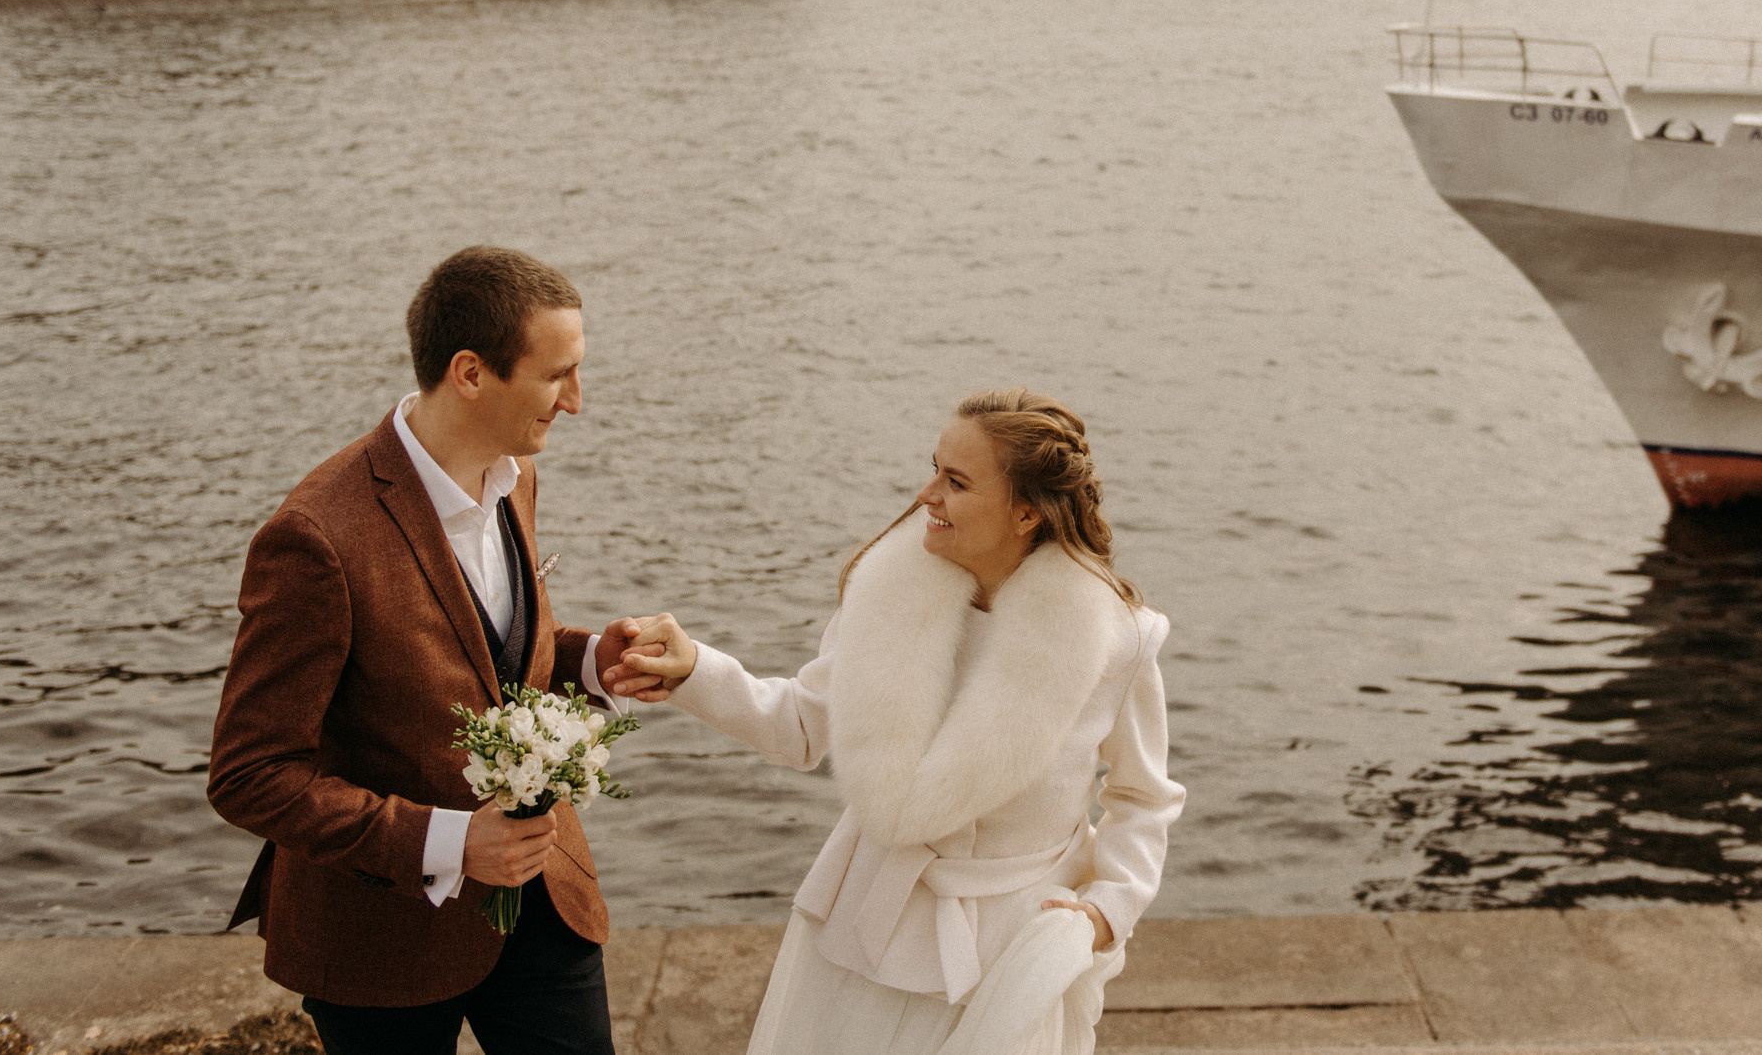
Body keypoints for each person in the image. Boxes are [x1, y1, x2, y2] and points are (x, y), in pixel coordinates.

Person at [208, 246, 678, 1055]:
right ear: (470, 373)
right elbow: (250, 774)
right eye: (557, 375)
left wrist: (593, 659)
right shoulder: (315, 538)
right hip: (379, 941)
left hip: (542, 895)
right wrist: (454, 842)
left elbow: (484, 654)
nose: (576, 401)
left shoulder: (515, 475)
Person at [617, 388, 1185, 1055]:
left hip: (1009, 957)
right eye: (934, 469)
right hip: (862, 933)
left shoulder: (1116, 640)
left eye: (956, 481)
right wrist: (693, 672)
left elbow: (1143, 799)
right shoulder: (887, 596)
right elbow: (802, 726)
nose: (926, 495)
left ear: (1026, 511)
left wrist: (1104, 911)